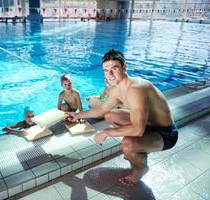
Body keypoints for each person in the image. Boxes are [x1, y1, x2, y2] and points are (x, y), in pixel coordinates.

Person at [67, 49, 178, 186]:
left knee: (127, 144)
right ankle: (140, 148)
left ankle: (141, 168)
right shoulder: (118, 89)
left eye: (114, 68)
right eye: (106, 70)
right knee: (110, 115)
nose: (110, 75)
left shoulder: (136, 88)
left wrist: (106, 132)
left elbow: (138, 130)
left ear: (124, 67)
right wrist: (77, 115)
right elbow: (102, 109)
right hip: (147, 126)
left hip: (166, 133)